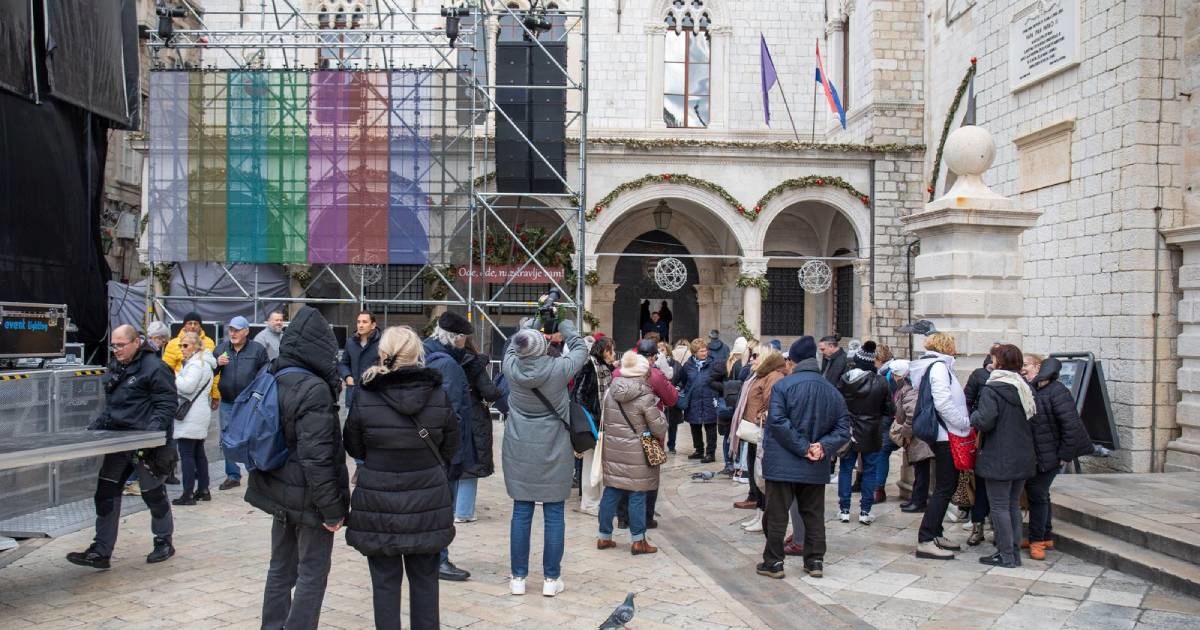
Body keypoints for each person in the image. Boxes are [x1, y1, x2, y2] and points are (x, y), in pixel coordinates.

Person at [343, 326, 458, 630]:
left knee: (384, 584)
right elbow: (451, 445)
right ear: (417, 353)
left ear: (383, 352)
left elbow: (353, 444)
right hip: (427, 499)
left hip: (379, 499)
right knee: (425, 583)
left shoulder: (365, 394)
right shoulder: (437, 393)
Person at [246, 306, 350, 630]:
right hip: (308, 498)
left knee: (280, 567)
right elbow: (317, 458)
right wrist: (332, 511)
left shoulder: (276, 376)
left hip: (277, 489)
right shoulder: (315, 389)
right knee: (312, 570)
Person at [66, 325, 178, 569]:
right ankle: (101, 551)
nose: (116, 350)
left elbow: (167, 405)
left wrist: (150, 437)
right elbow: (112, 407)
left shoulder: (156, 368)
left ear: (136, 342)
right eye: (113, 345)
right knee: (105, 493)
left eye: (120, 345)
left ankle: (163, 541)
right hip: (118, 442)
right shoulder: (118, 366)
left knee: (153, 495)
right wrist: (94, 430)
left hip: (148, 446)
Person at [501, 318, 588, 597]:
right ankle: (551, 579)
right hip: (554, 447)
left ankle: (518, 578)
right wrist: (564, 325)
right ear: (543, 347)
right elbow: (581, 349)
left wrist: (528, 324)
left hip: (519, 447)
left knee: (521, 511)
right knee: (553, 513)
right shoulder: (559, 369)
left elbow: (513, 347)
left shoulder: (510, 367)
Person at [757, 336, 850, 580]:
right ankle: (815, 560)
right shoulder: (832, 390)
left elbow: (777, 421)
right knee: (813, 514)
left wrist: (803, 447)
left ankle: (774, 562)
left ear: (794, 361)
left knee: (777, 514)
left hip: (783, 462)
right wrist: (821, 447)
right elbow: (843, 429)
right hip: (814, 463)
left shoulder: (783, 386)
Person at [969, 343, 1037, 568]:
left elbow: (986, 420)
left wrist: (973, 416)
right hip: (1022, 454)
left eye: (994, 358)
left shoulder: (993, 388)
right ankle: (1013, 553)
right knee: (1012, 506)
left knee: (999, 506)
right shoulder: (1025, 387)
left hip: (999, 455)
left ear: (1000, 362)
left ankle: (1006, 554)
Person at [1021, 353, 1093, 560]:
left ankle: (1036, 542)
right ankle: (1045, 536)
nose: (1023, 369)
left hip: (1051, 456)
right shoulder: (1033, 388)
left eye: (1026, 365)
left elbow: (1072, 426)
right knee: (1041, 495)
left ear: (1038, 366)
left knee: (1037, 494)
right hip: (1040, 454)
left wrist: (1064, 456)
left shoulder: (1056, 390)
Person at [908, 332, 972, 560]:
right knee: (945, 486)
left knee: (948, 484)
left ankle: (935, 532)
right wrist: (963, 423)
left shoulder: (940, 367)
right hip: (947, 434)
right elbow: (943, 402)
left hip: (947, 432)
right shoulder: (938, 368)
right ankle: (926, 538)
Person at [422, 311, 476, 582]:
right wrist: (452, 453)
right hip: (443, 452)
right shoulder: (448, 366)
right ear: (456, 338)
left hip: (426, 447)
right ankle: (439, 559)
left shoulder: (424, 352)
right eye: (464, 338)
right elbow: (452, 413)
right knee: (443, 507)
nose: (465, 343)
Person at [597, 351, 668, 555]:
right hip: (638, 452)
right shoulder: (645, 395)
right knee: (637, 494)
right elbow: (659, 428)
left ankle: (604, 537)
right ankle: (638, 541)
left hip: (614, 449)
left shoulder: (612, 391)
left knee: (611, 491)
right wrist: (661, 416)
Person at [613, 340, 678, 529]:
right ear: (651, 357)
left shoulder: (618, 372)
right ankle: (646, 518)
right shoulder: (655, 375)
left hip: (622, 431)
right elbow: (672, 399)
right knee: (649, 476)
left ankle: (623, 518)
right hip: (648, 432)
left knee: (624, 474)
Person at [732, 346, 788, 532]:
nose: (752, 359)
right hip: (752, 432)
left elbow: (771, 402)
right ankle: (759, 514)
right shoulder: (758, 375)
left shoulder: (773, 376)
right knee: (755, 476)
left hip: (760, 431)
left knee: (761, 475)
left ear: (764, 358)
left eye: (755, 356)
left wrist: (759, 416)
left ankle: (764, 516)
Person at [835, 342, 891, 525]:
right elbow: (890, 409)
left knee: (845, 469)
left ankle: (844, 509)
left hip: (849, 431)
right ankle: (865, 511)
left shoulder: (844, 380)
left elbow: (838, 406)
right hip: (872, 431)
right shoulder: (881, 382)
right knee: (870, 471)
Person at [214, 316, 270, 490]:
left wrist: (257, 396)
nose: (233, 333)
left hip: (248, 403)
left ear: (246, 332)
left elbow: (265, 373)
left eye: (237, 330)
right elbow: (208, 370)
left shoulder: (257, 350)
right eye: (231, 329)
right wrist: (216, 363)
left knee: (250, 437)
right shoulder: (222, 349)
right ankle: (232, 475)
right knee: (226, 437)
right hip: (228, 401)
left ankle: (254, 474)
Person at [455, 338, 502, 523]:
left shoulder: (438, 359)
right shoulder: (474, 363)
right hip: (472, 413)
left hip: (447, 412)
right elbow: (489, 391)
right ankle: (464, 511)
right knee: (471, 459)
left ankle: (450, 508)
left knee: (450, 460)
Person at [962, 344, 1000, 545]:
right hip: (981, 436)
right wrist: (971, 420)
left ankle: (997, 528)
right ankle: (977, 526)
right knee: (981, 483)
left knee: (999, 489)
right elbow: (967, 399)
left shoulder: (1012, 380)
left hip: (1001, 438)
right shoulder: (979, 375)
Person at [172, 332, 216, 506]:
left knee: (187, 454)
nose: (182, 349)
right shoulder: (203, 362)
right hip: (199, 412)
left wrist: (174, 376)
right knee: (198, 453)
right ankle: (203, 489)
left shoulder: (196, 364)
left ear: (197, 346)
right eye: (181, 345)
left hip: (191, 415)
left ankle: (188, 493)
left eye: (185, 345)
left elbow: (187, 387)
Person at [574, 336, 615, 516]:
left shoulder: (606, 368)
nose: (612, 354)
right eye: (609, 350)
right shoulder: (589, 366)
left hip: (604, 423)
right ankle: (589, 503)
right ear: (601, 350)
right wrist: (591, 417)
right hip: (592, 424)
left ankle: (599, 501)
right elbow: (579, 394)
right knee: (591, 463)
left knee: (601, 464)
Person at [889, 360, 934, 512]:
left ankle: (919, 501)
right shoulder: (908, 389)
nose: (893, 378)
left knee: (922, 471)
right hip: (918, 436)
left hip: (919, 437)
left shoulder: (910, 391)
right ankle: (916, 499)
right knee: (919, 470)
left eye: (895, 375)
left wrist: (906, 433)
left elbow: (911, 415)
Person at [678, 338, 724, 463]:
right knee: (695, 426)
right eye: (701, 351)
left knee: (710, 427)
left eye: (705, 350)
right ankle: (699, 450)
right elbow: (683, 381)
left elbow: (721, 380)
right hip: (693, 401)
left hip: (710, 399)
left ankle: (710, 453)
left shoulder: (714, 364)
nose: (704, 353)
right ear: (694, 353)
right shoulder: (688, 366)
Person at [162, 311, 220, 409]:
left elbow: (214, 372)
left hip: (202, 395)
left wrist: (216, 395)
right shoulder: (173, 343)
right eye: (189, 323)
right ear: (184, 326)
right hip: (179, 394)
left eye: (196, 323)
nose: (193, 326)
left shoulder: (209, 342)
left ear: (200, 326)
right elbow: (165, 370)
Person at [869, 344, 897, 504]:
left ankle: (878, 490)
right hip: (888, 417)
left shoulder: (888, 374)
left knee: (882, 452)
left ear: (879, 359)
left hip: (889, 418)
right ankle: (877, 488)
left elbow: (891, 398)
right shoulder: (888, 371)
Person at [339, 310, 381, 411]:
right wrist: (347, 376)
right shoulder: (350, 342)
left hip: (374, 394)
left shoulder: (382, 342)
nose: (360, 325)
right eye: (358, 322)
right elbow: (343, 364)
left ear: (373, 325)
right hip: (354, 393)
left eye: (364, 322)